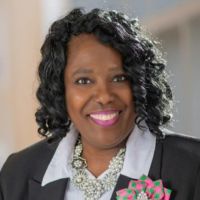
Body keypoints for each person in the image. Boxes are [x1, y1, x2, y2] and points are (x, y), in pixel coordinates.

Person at [0, 8, 200, 200]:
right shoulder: (17, 173)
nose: (104, 96)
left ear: (140, 83)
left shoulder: (193, 166)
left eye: (119, 78)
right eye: (83, 81)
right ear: (61, 90)